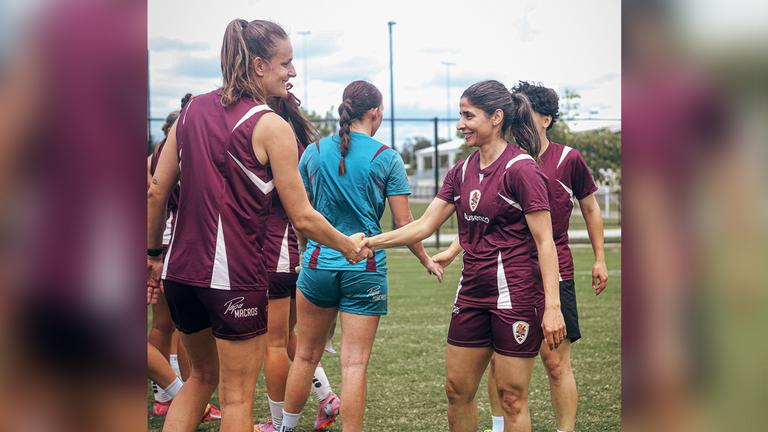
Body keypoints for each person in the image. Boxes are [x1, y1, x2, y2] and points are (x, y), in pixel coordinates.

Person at [147, 19, 367, 432]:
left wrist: (151, 255)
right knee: (235, 399)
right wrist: (347, 245)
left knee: (199, 380)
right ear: (259, 64)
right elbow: (302, 215)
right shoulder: (271, 125)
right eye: (286, 63)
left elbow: (157, 190)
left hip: (180, 273)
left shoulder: (191, 109)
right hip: (233, 279)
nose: (293, 72)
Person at [362, 80, 566, 432]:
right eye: (460, 115)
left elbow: (545, 242)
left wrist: (552, 307)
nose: (460, 124)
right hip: (471, 293)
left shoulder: (522, 169)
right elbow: (424, 225)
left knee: (512, 397)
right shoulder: (461, 170)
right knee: (456, 390)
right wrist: (369, 243)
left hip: (515, 296)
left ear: (497, 117)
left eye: (468, 115)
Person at [434, 81, 609, 432]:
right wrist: (454, 249)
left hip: (548, 273)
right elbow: (482, 221)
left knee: (555, 364)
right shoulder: (492, 162)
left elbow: (587, 212)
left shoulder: (561, 159)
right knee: (496, 370)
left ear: (546, 119)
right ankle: (499, 426)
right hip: (500, 277)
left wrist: (599, 259)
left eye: (528, 113)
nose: (521, 119)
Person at [278, 80, 443, 432]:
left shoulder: (313, 151)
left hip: (317, 264)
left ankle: (285, 428)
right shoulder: (387, 157)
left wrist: (307, 253)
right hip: (364, 268)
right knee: (354, 364)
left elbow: (301, 217)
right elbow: (405, 223)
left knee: (305, 355)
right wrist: (426, 259)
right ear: (376, 112)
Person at [254, 86, 341, 432]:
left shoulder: (270, 138)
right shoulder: (301, 143)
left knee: (273, 342)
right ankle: (327, 397)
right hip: (299, 250)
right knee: (291, 337)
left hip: (278, 245)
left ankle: (278, 425)